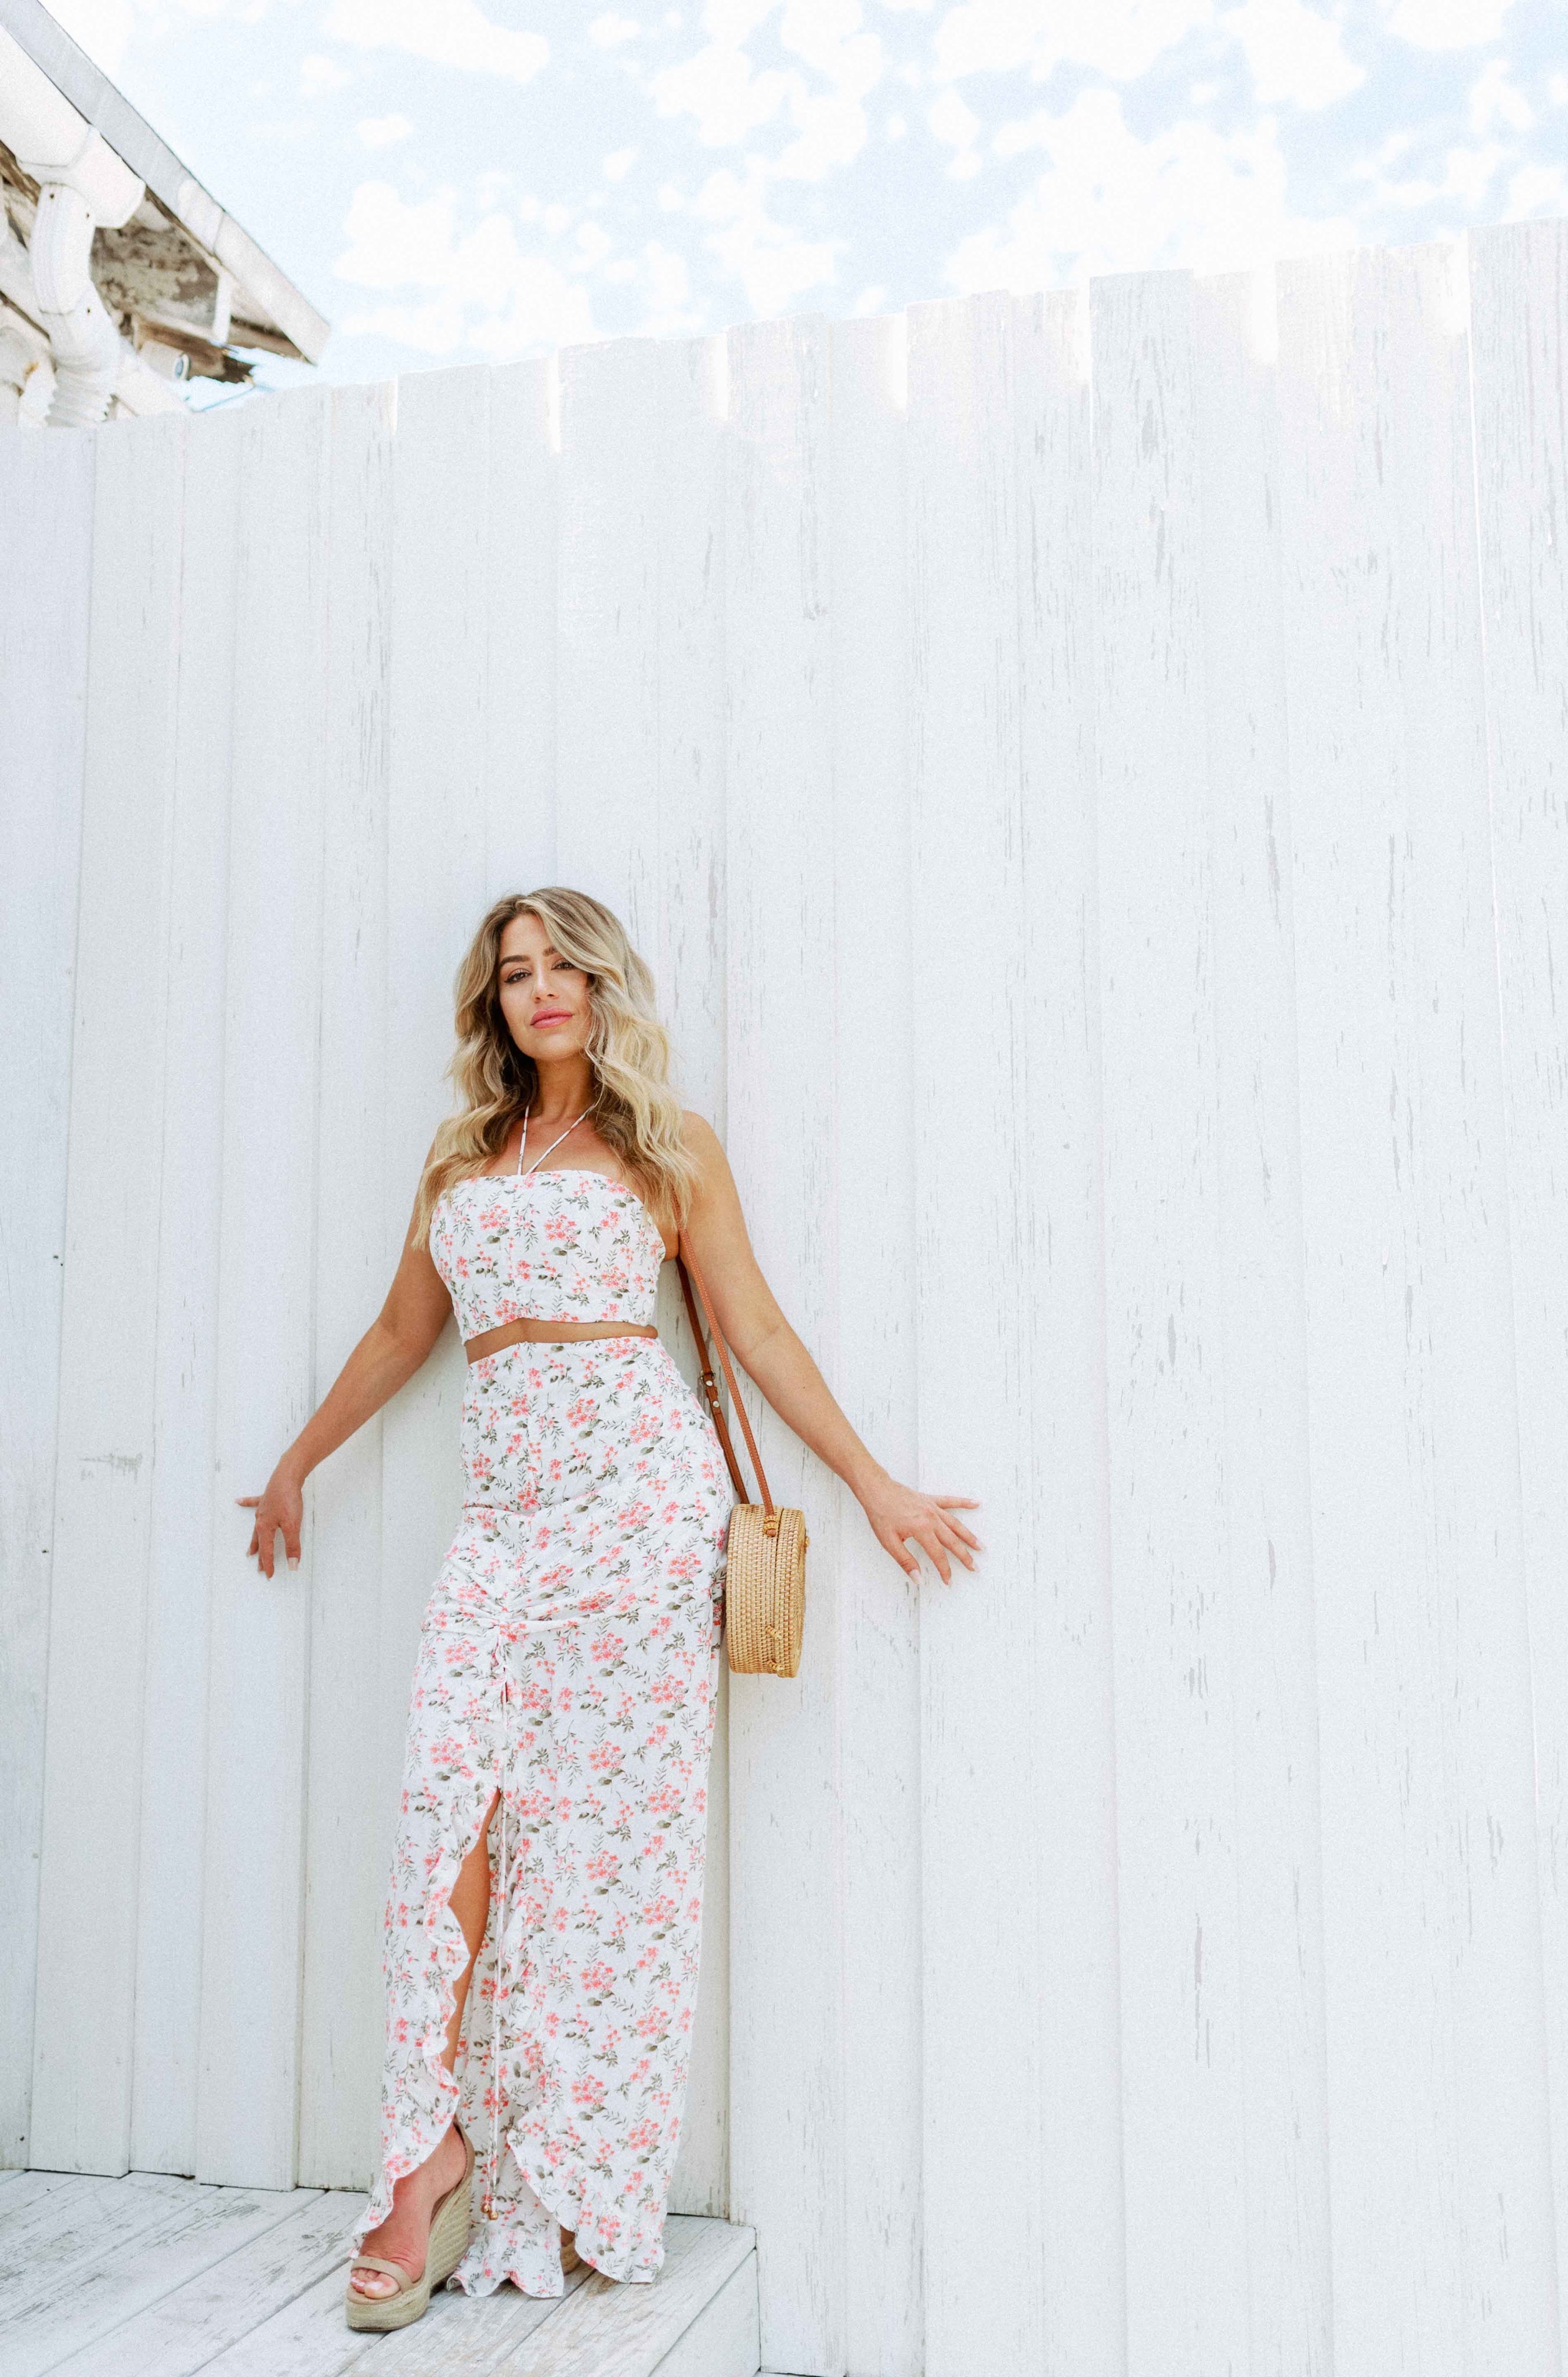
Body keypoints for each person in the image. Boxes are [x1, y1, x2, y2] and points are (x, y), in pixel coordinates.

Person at [239, 887, 981, 2334]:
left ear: (602, 982)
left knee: (603, 1855)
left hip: (641, 1519)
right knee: (441, 1809)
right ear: (492, 1004)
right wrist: (297, 1459)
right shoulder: (459, 1154)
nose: (542, 988)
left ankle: (575, 2174)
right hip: (503, 1529)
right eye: (515, 971)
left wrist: (874, 1484)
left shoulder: (664, 1144)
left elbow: (751, 1327)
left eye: (564, 962)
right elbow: (408, 1329)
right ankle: (429, 2151)